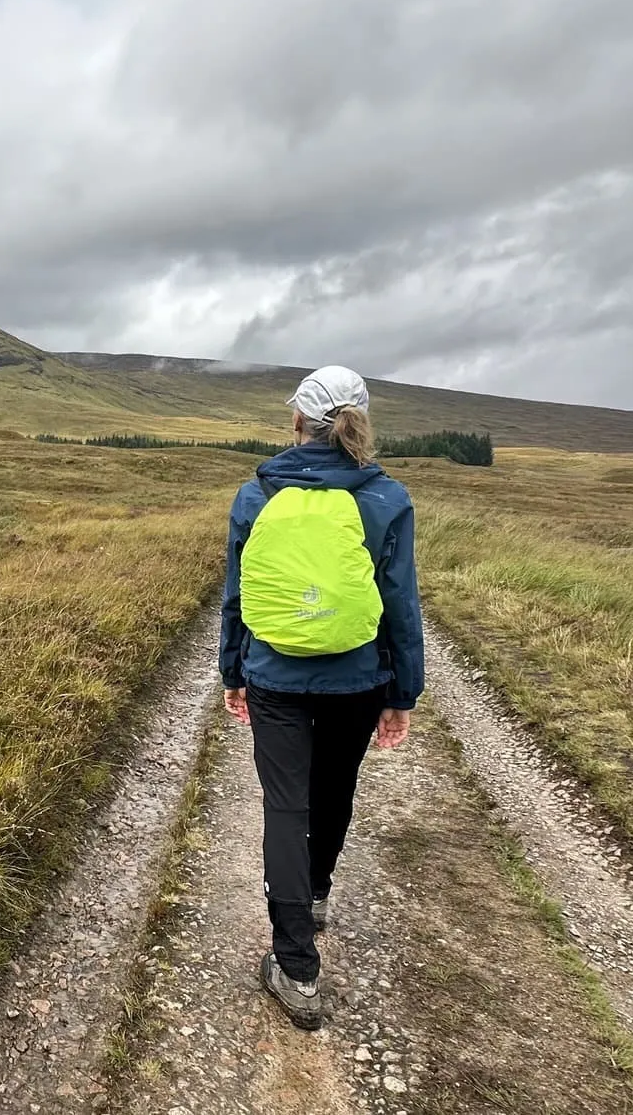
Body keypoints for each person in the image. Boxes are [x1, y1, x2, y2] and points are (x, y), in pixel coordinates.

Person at [219, 364, 424, 1031]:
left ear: (296, 423)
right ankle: (314, 896)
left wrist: (233, 673)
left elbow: (237, 597)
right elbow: (400, 605)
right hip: (358, 678)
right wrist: (403, 691)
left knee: (285, 806)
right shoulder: (387, 498)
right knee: (333, 792)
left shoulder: (256, 496)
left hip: (274, 674)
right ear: (359, 424)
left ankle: (295, 968)